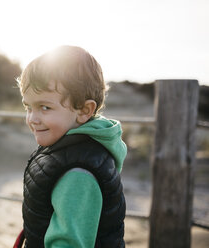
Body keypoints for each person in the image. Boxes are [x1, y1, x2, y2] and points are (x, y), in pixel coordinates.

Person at [14, 45, 127, 248]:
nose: (32, 118)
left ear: (84, 110)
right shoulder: (65, 148)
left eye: (45, 107)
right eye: (28, 107)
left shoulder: (78, 173)